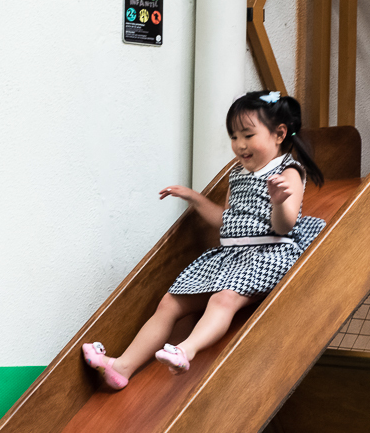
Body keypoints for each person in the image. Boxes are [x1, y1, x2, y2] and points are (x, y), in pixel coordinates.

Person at [82, 90, 326, 390]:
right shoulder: (237, 175)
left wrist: (278, 201)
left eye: (248, 135)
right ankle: (122, 367)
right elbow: (227, 221)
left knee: (222, 299)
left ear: (279, 134)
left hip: (269, 254)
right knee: (169, 303)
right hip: (230, 257)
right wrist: (193, 198)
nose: (240, 145)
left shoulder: (286, 172)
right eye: (234, 137)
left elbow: (285, 226)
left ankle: (185, 350)